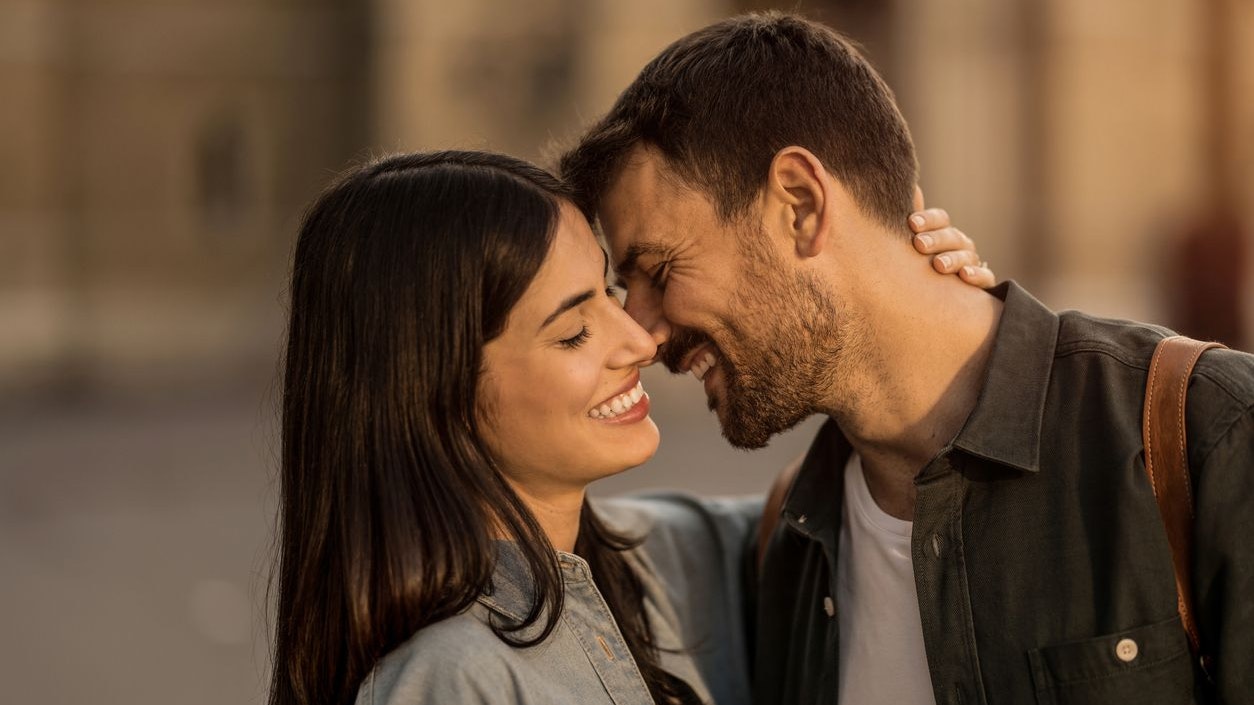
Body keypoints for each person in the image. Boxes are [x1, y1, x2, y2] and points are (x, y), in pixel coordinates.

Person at [559, 11, 1254, 705]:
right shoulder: (791, 538)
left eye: (657, 271)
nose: (642, 334)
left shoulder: (1208, 434)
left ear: (800, 204)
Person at [268, 150, 982, 705]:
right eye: (575, 330)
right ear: (430, 389)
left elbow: (826, 515)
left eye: (610, 292)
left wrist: (909, 311)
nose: (641, 341)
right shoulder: (454, 679)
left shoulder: (654, 564)